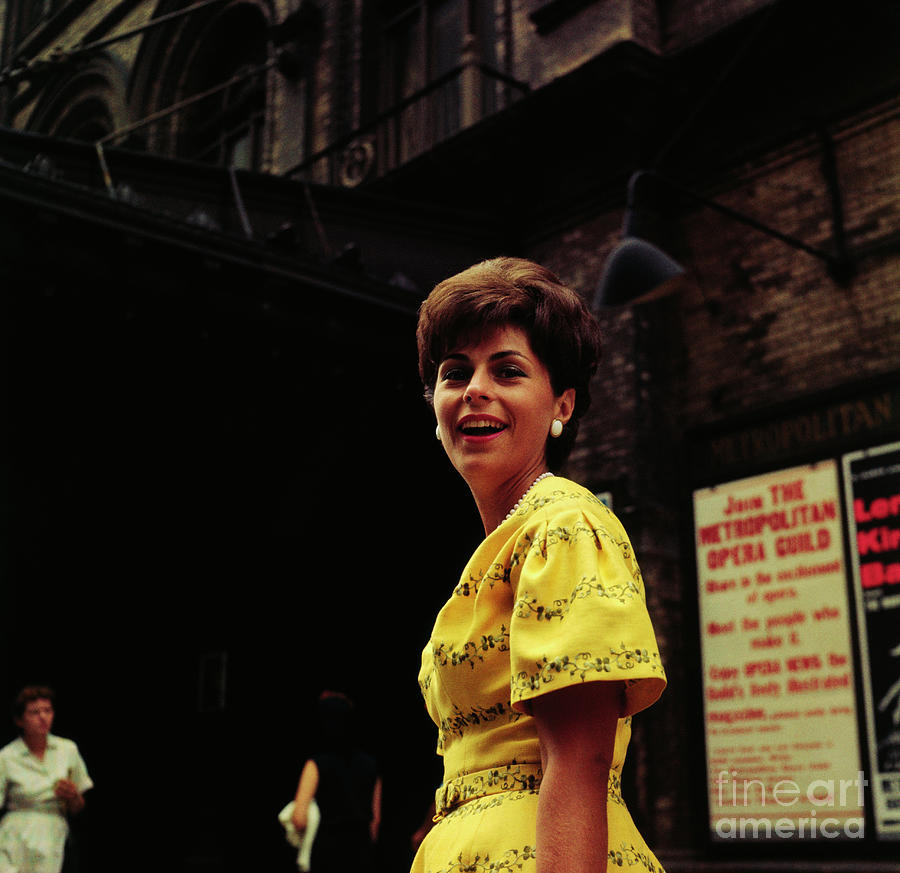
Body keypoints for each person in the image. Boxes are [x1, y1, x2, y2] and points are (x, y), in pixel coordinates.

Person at [411, 257, 667, 873]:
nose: (475, 388)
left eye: (507, 370)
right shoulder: (511, 539)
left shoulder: (563, 526)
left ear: (563, 406)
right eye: (454, 372)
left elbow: (576, 765)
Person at [0, 687, 93, 873]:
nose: (43, 717)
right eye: (35, 712)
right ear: (20, 720)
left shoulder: (67, 749)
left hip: (53, 827)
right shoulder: (6, 756)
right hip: (16, 831)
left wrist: (73, 796)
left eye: (47, 711)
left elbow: (78, 807)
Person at [291, 692, 381, 873]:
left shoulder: (315, 764)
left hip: (327, 852)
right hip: (361, 852)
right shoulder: (371, 765)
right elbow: (375, 821)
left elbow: (299, 819)